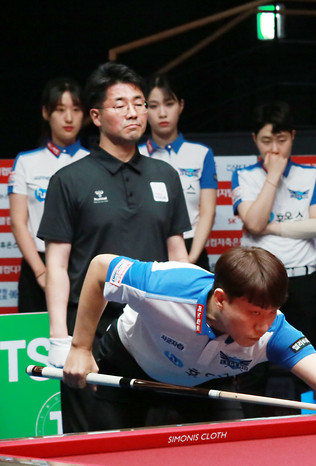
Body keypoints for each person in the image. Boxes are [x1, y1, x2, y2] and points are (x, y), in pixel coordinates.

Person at [62, 246, 316, 437]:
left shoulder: (274, 331)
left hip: (206, 387)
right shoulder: (166, 287)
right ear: (220, 300)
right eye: (254, 313)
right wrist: (80, 347)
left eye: (272, 312)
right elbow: (100, 268)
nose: (263, 325)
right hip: (128, 367)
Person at [38, 62, 191, 433]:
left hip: (153, 331)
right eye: (120, 104)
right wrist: (60, 338)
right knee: (89, 442)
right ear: (96, 116)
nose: (133, 112)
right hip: (91, 330)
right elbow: (56, 265)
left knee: (153, 441)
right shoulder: (68, 180)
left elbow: (178, 257)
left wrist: (188, 323)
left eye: (139, 104)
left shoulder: (166, 175)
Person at [232, 102, 316, 361]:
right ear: (254, 139)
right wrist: (273, 176)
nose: (274, 149)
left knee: (307, 361)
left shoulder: (310, 174)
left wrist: (271, 228)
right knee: (253, 363)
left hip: (303, 279)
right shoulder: (243, 176)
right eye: (266, 141)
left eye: (282, 140)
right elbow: (255, 223)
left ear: (293, 136)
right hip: (259, 282)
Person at [9, 78, 89, 313]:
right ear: (46, 112)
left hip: (82, 266)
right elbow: (18, 222)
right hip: (37, 268)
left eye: (76, 110)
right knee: (34, 333)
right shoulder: (26, 162)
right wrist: (40, 272)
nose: (69, 118)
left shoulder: (94, 162)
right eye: (60, 110)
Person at [139, 74, 218, 270]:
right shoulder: (134, 155)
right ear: (144, 109)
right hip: (146, 250)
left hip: (192, 249)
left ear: (180, 105)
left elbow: (207, 212)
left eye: (169, 104)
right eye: (153, 106)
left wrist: (190, 258)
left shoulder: (201, 154)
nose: (162, 113)